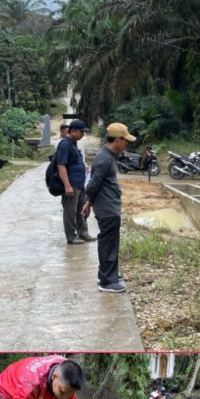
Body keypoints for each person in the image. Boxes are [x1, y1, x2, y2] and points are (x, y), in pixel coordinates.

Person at [82, 123, 136, 293]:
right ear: (118, 139)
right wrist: (89, 201)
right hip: (107, 209)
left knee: (111, 242)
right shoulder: (104, 158)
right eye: (125, 141)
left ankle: (109, 274)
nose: (126, 144)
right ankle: (107, 281)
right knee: (108, 243)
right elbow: (92, 186)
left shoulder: (108, 155)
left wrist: (89, 203)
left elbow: (97, 184)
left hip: (108, 205)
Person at [56, 119, 96, 245]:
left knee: (80, 210)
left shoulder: (73, 143)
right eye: (81, 132)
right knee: (70, 211)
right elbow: (61, 165)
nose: (83, 135)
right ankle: (71, 236)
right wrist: (67, 185)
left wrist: (84, 168)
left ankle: (83, 233)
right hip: (71, 184)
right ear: (73, 131)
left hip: (79, 183)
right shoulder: (65, 144)